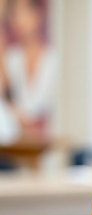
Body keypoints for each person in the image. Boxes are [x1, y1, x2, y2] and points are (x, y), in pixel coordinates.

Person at [2, 0, 55, 136]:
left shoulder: (54, 59)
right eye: (14, 14)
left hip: (47, 139)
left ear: (38, 14)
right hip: (15, 141)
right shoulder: (10, 59)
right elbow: (6, 98)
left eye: (23, 12)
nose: (18, 20)